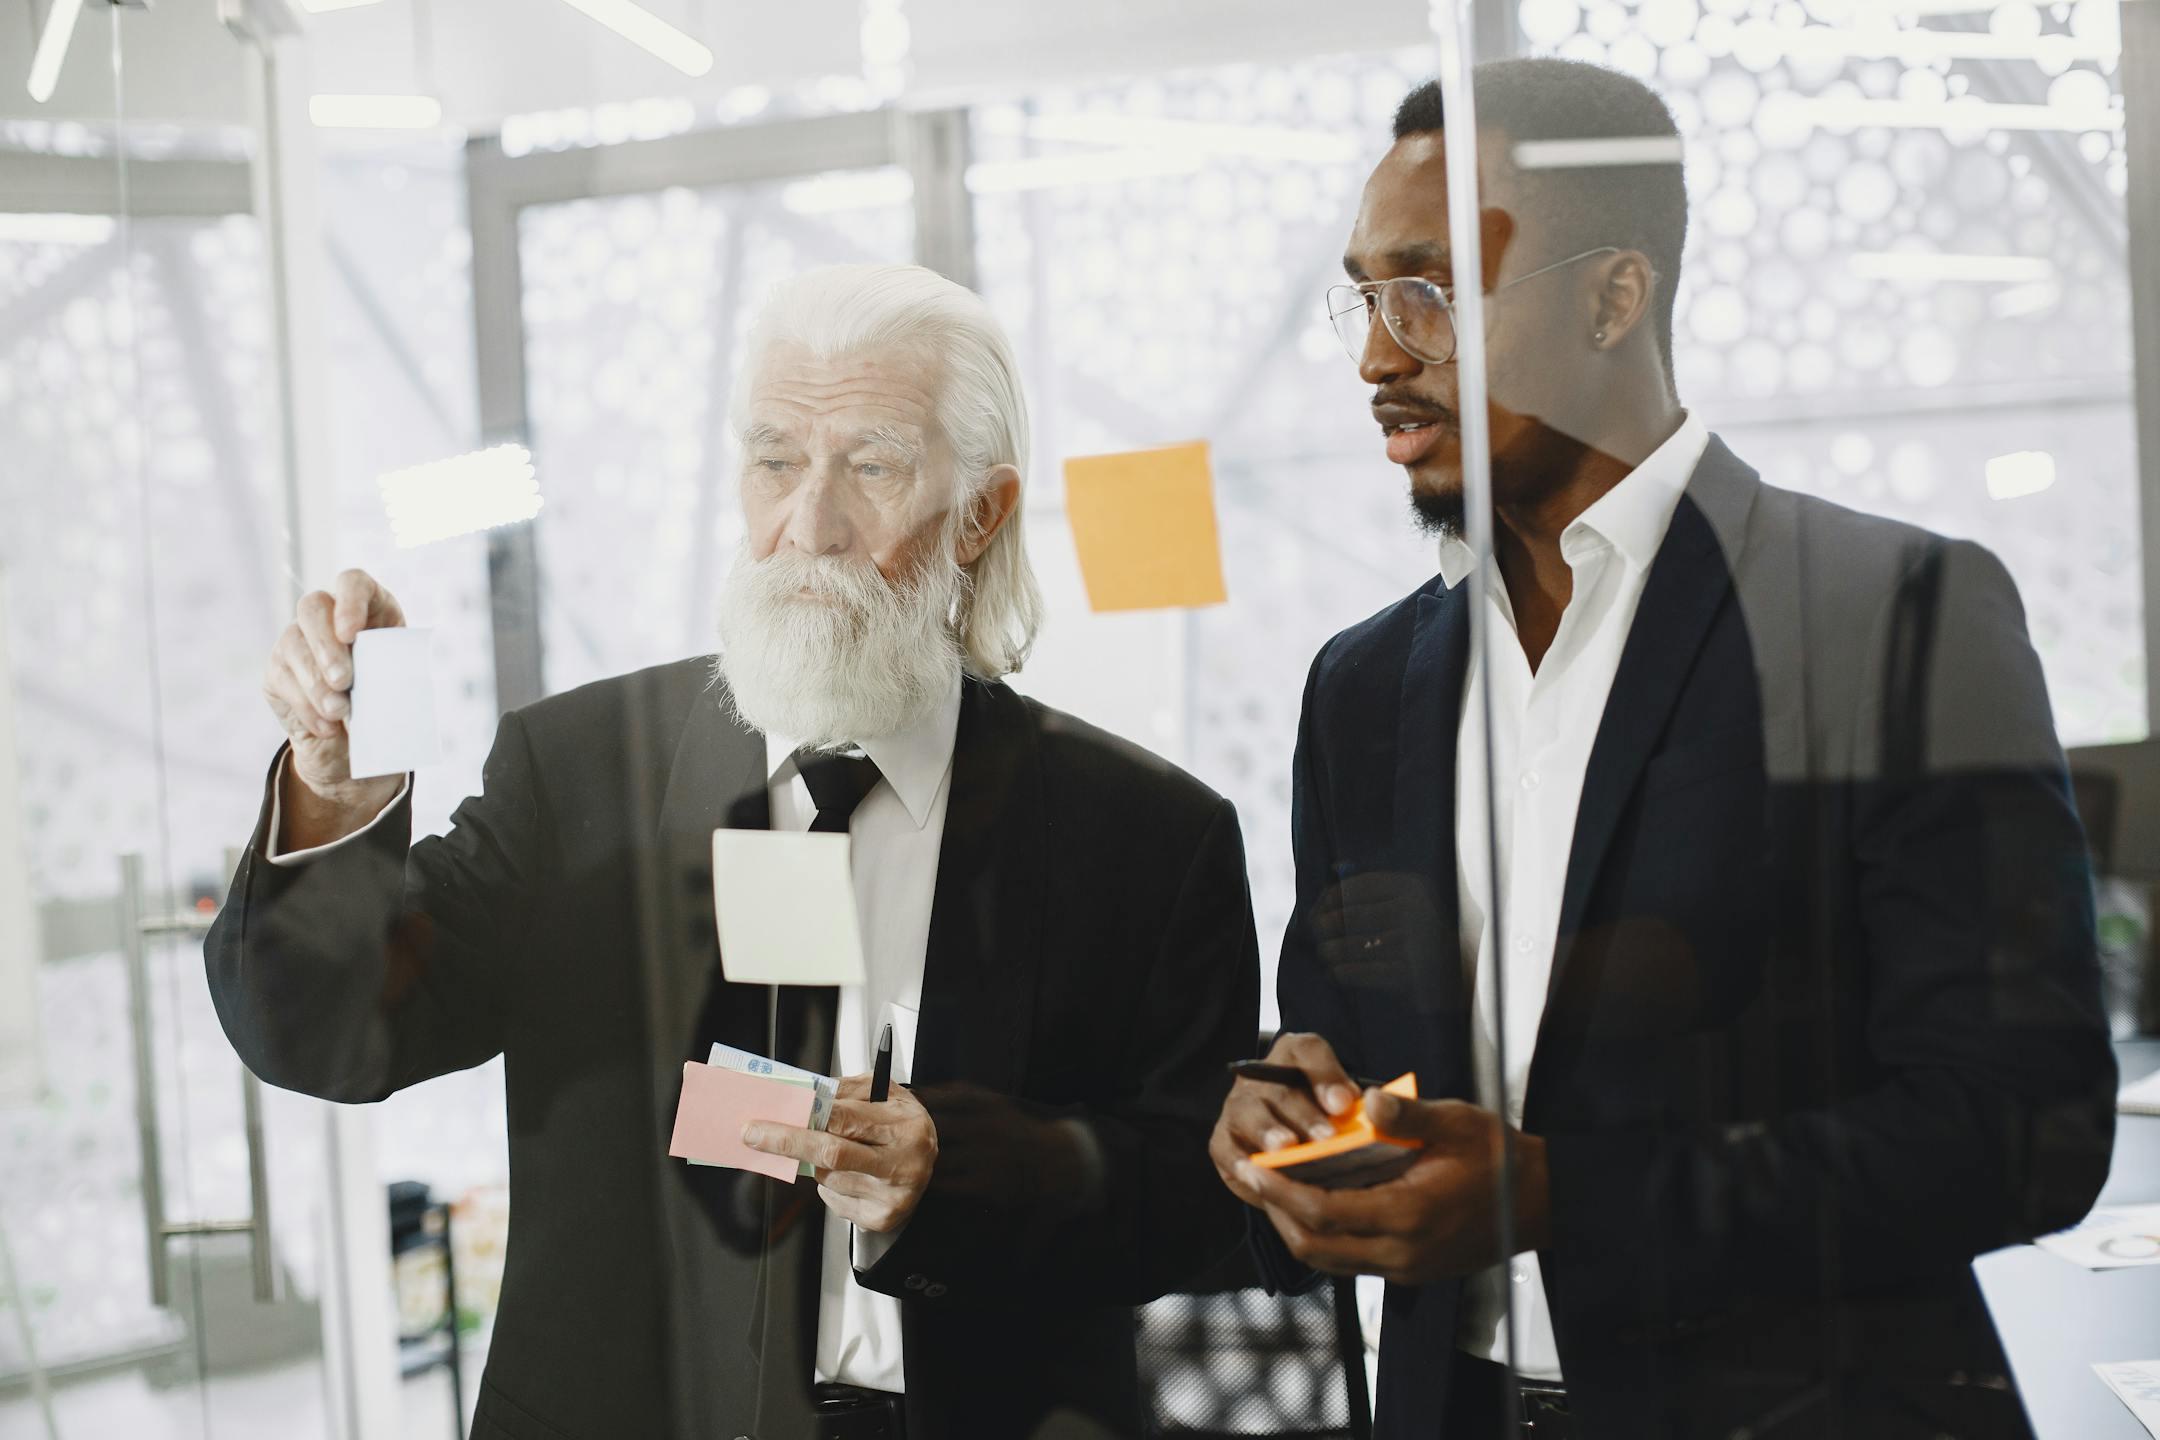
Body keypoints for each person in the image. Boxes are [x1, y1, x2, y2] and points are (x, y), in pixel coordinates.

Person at [1208, 58, 2116, 1439]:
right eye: (1367, 295)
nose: (1379, 356)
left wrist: (1560, 1195)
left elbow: (2025, 1130)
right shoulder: (1363, 687)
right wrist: (1282, 1124)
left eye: (1433, 293)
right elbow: (1351, 1057)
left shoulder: (1891, 614)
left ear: (1613, 296)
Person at [210, 262, 1260, 1440]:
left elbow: (1213, 1200)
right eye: (775, 461)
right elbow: (332, 1035)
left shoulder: (1146, 836)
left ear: (983, 512)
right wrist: (322, 787)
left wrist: (959, 1179)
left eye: (871, 466)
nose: (807, 526)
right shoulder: (579, 774)